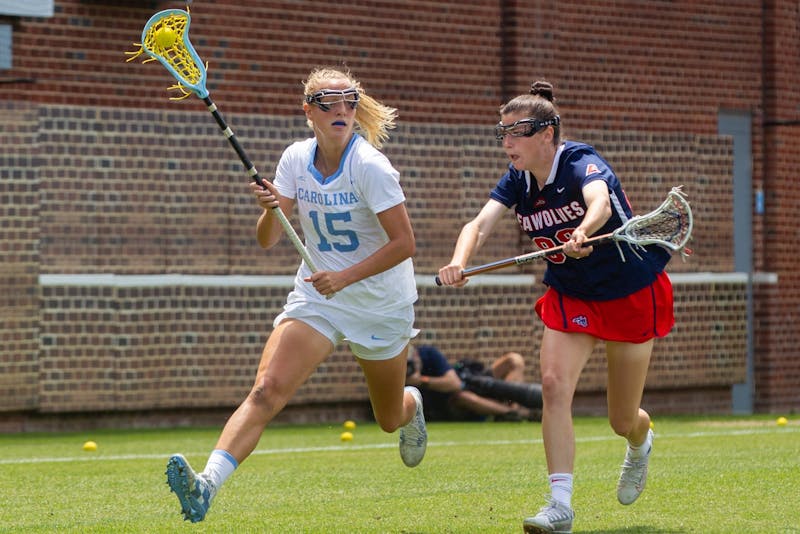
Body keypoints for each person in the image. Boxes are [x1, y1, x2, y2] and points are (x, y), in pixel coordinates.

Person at [165, 66, 427, 523]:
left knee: (388, 418)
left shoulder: (370, 167)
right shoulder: (295, 159)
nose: (341, 109)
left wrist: (344, 277)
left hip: (380, 304)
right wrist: (271, 208)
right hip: (318, 299)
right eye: (328, 102)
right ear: (309, 111)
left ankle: (413, 405)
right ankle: (206, 485)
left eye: (349, 100)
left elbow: (405, 244)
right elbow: (268, 239)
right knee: (267, 390)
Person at [437, 80, 675, 534]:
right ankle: (560, 505)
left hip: (628, 291)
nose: (507, 142)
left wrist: (584, 230)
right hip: (572, 292)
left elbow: (599, 202)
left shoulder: (581, 161)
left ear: (546, 134)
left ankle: (640, 441)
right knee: (552, 385)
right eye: (503, 133)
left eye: (517, 133)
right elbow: (479, 225)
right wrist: (459, 261)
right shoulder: (517, 180)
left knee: (622, 419)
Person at [405, 345, 541, 422]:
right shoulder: (400, 375)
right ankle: (517, 414)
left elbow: (454, 382)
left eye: (411, 362)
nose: (410, 368)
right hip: (457, 403)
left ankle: (513, 406)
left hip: (472, 381)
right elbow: (455, 390)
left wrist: (421, 380)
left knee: (513, 360)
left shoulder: (427, 353)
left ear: (416, 354)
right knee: (463, 397)